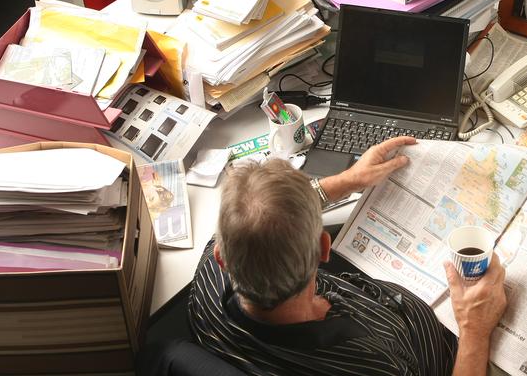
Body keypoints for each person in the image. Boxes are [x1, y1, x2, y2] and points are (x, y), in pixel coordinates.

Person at [186, 136, 508, 376]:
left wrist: (346, 181)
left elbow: (253, 217)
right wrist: (475, 331)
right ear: (325, 249)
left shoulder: (207, 284)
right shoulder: (371, 365)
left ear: (221, 257)